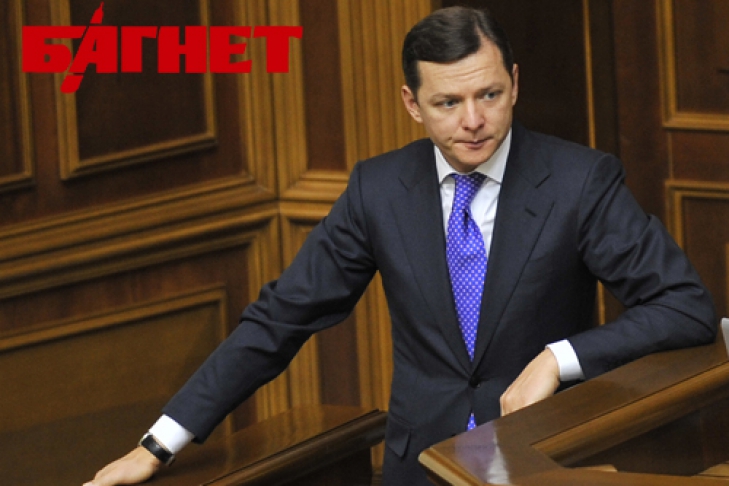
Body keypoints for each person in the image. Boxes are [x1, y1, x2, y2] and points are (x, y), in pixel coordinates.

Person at [84, 6, 716, 486]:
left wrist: (558, 358)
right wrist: (158, 444)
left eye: (489, 95)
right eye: (448, 102)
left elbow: (684, 306)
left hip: (544, 460)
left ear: (515, 83)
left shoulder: (580, 182)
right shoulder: (378, 190)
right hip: (420, 469)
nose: (474, 120)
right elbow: (279, 319)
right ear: (412, 104)